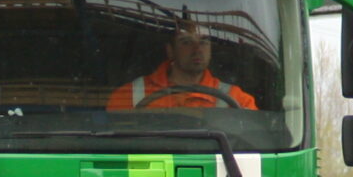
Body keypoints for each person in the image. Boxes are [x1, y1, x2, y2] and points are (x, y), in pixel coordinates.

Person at [108, 21, 257, 112]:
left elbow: (252, 145)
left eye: (204, 41)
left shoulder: (238, 99)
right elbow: (113, 150)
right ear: (170, 50)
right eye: (186, 42)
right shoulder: (128, 96)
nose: (197, 49)